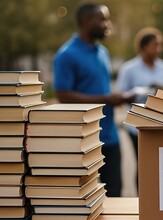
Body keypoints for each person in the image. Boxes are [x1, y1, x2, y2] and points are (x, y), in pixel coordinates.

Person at [53, 3, 134, 197]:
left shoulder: (103, 52)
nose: (108, 24)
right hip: (83, 139)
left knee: (115, 194)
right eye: (103, 19)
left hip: (110, 136)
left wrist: (116, 98)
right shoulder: (67, 55)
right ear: (86, 21)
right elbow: (63, 95)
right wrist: (107, 99)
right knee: (81, 198)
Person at [117, 27, 163, 188]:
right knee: (142, 164)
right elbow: (122, 94)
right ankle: (142, 201)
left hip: (161, 123)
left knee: (160, 165)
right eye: (155, 45)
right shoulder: (129, 69)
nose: (159, 49)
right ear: (144, 47)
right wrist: (141, 92)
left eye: (160, 45)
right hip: (137, 125)